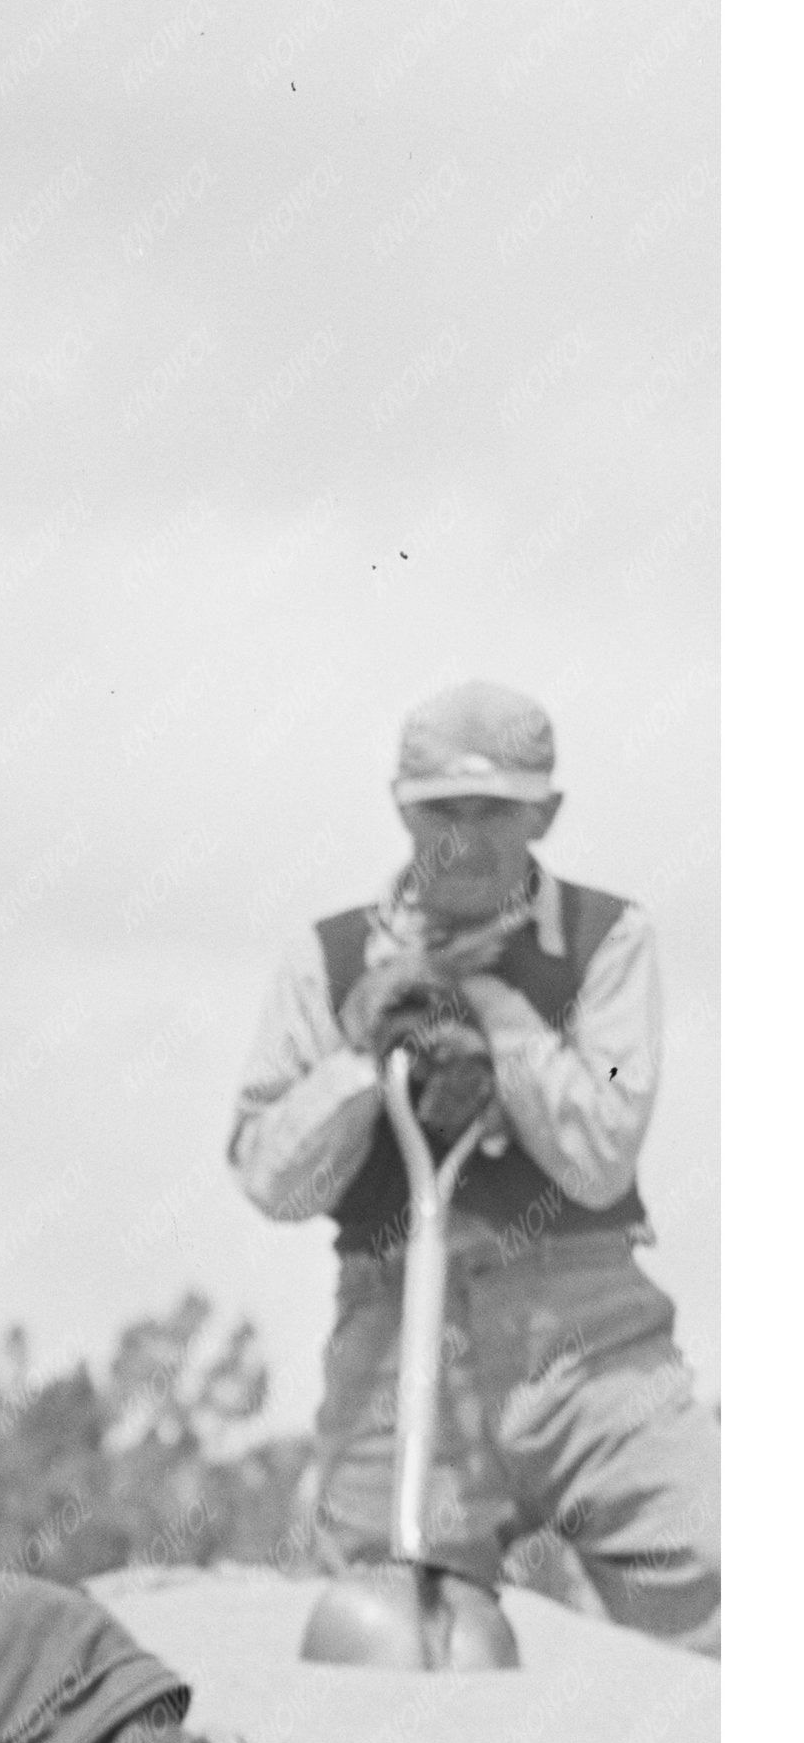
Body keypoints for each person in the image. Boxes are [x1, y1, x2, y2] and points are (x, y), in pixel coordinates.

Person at [228, 680, 716, 1647]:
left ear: (547, 812)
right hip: (396, 1334)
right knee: (384, 1627)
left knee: (724, 1572)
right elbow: (268, 1176)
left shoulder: (609, 942)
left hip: (591, 1341)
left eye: (495, 810)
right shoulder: (324, 961)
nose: (464, 836)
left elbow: (601, 1151)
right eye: (439, 811)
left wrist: (491, 1009)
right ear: (400, 809)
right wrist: (367, 1057)